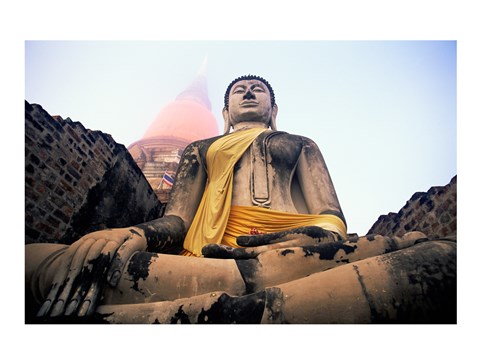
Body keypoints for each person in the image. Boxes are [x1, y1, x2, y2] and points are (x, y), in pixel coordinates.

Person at [25, 75, 455, 323]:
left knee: (444, 262)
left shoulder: (299, 143)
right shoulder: (201, 149)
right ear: (226, 112)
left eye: (258, 89)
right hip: (204, 263)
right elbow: (176, 222)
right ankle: (246, 310)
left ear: (273, 109)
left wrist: (309, 236)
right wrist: (134, 233)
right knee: (34, 261)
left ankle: (190, 316)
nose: (249, 92)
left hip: (302, 258)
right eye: (239, 90)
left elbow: (330, 218)